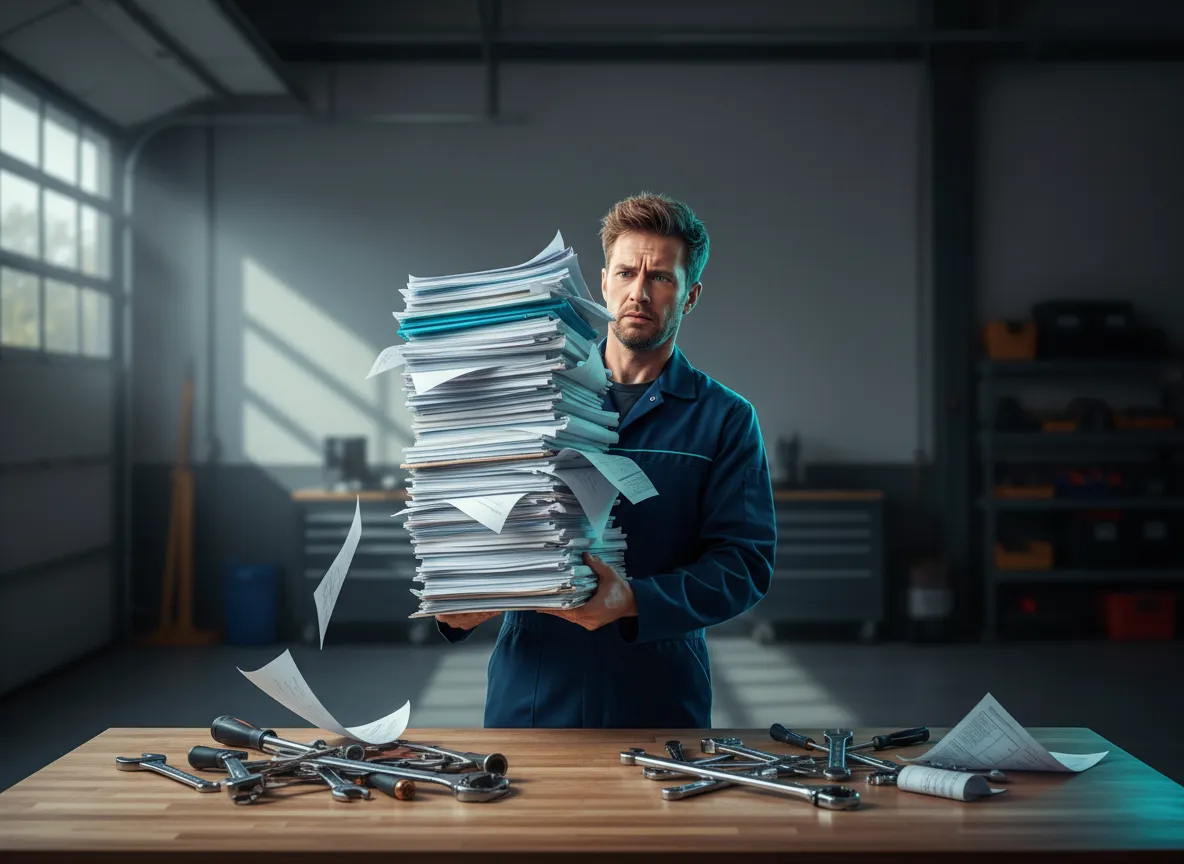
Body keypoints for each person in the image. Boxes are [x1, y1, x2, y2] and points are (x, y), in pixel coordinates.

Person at [435, 192, 777, 728]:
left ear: (690, 296)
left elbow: (743, 567)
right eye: (626, 273)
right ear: (603, 282)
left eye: (661, 277)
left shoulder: (725, 418)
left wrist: (635, 600)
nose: (639, 292)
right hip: (532, 693)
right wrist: (463, 598)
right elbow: (471, 525)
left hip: (659, 696)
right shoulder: (531, 398)